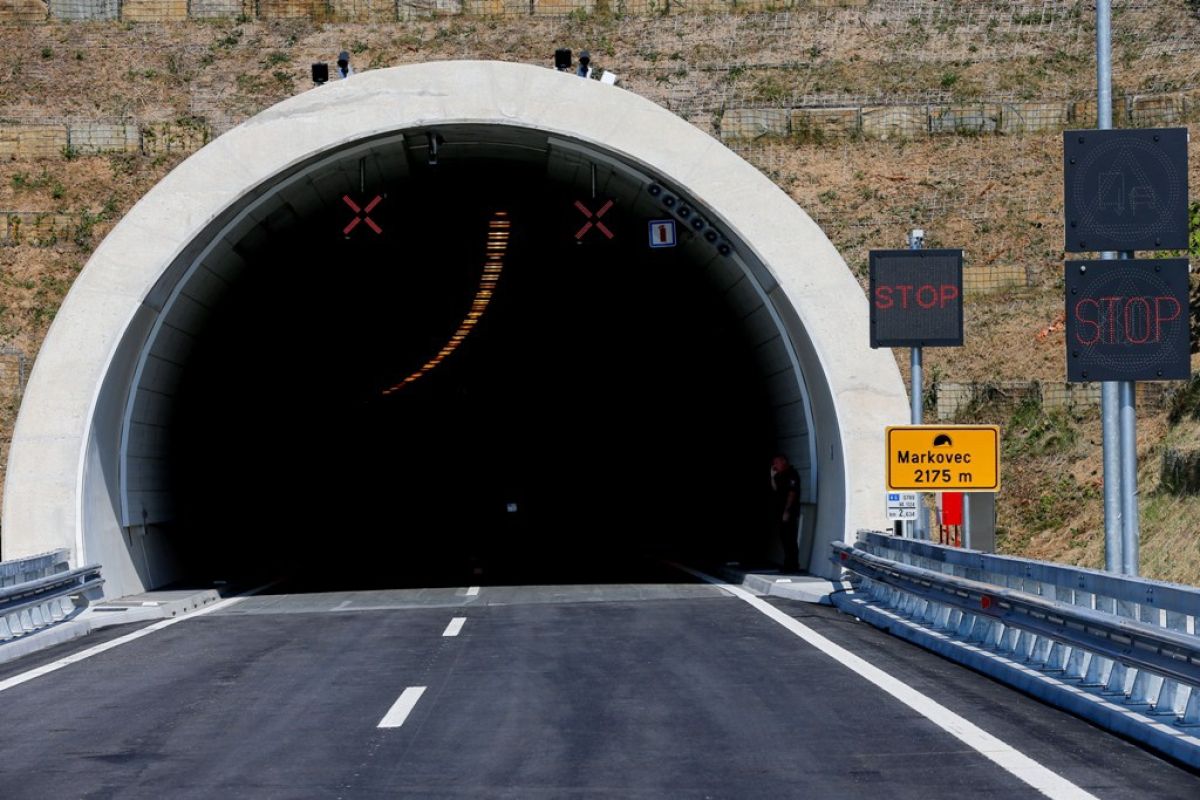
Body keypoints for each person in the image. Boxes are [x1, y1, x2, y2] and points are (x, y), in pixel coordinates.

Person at [770, 454, 801, 573]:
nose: (774, 465)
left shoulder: (792, 474)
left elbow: (792, 493)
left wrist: (787, 511)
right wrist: (772, 477)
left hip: (789, 511)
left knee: (790, 538)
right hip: (781, 511)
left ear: (783, 461)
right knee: (784, 537)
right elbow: (776, 490)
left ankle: (793, 565)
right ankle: (788, 564)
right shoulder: (780, 475)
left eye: (776, 462)